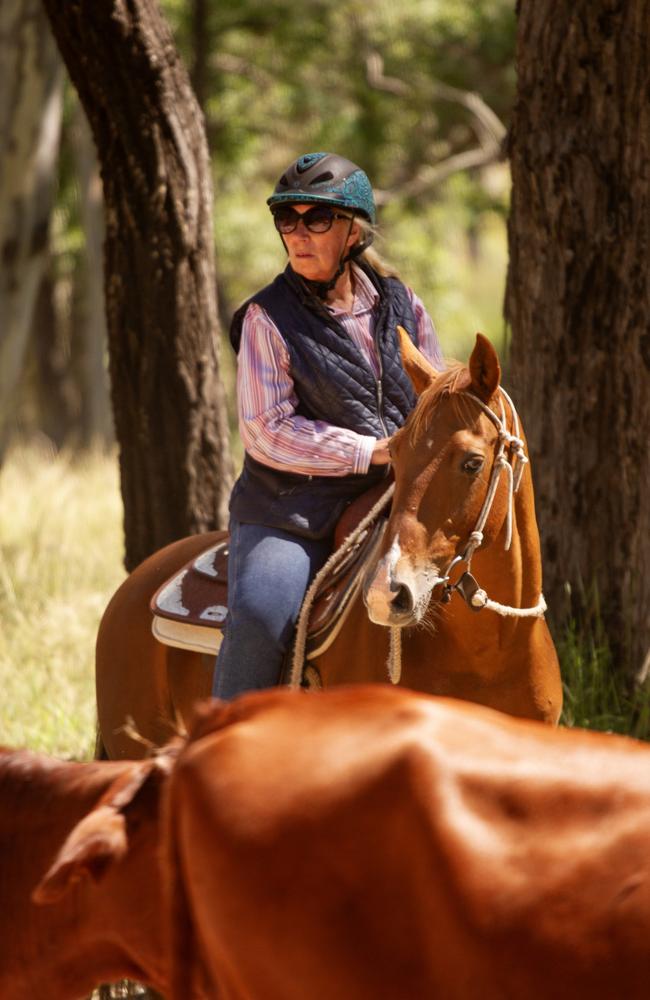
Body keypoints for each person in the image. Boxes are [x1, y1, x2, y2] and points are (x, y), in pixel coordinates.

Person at [213, 152, 444, 700]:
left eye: (316, 218)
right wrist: (374, 451)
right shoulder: (266, 318)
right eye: (287, 220)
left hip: (394, 495)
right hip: (293, 511)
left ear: (352, 231)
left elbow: (433, 394)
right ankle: (223, 745)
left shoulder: (403, 303)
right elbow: (266, 430)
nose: (299, 233)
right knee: (261, 614)